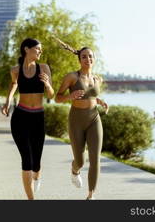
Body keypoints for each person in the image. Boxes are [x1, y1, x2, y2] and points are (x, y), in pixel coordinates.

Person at [54, 39, 108, 200]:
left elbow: (91, 96)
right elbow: (57, 98)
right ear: (79, 59)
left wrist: (100, 101)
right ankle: (74, 170)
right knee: (80, 160)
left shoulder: (98, 79)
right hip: (76, 119)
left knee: (95, 159)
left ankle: (91, 195)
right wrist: (70, 96)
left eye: (90, 56)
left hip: (94, 118)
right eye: (84, 56)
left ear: (94, 59)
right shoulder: (71, 77)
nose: (88, 59)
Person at [2, 38, 54, 200]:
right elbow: (14, 84)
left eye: (40, 49)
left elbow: (51, 95)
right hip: (20, 117)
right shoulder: (15, 70)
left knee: (36, 163)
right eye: (37, 49)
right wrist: (8, 101)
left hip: (38, 118)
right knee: (27, 160)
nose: (40, 51)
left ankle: (37, 176)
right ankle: (31, 200)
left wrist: (47, 84)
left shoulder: (44, 68)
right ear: (26, 49)